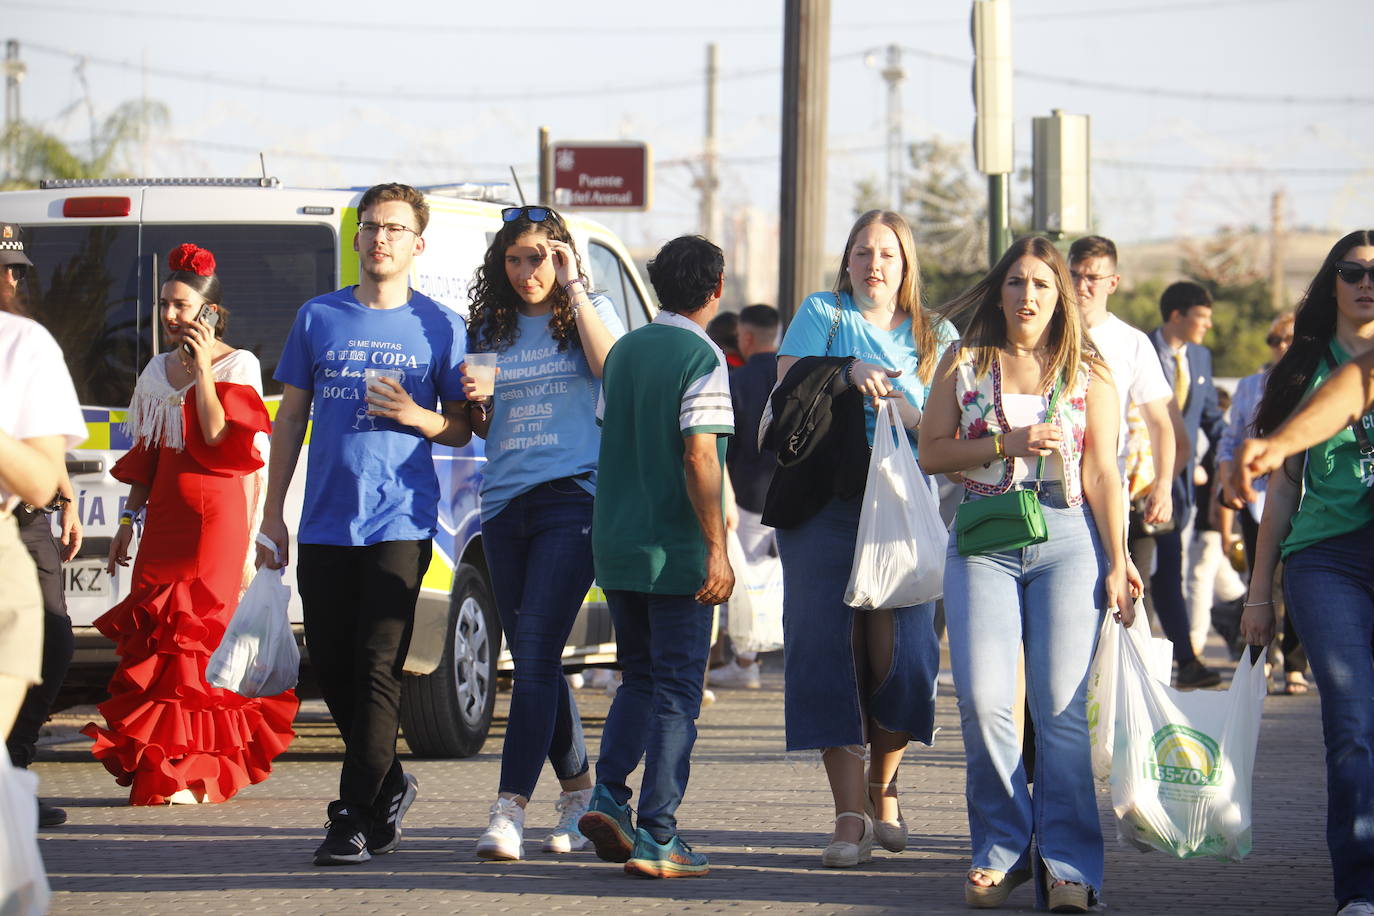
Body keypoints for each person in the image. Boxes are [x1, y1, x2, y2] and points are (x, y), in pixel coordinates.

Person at [259, 183, 473, 866]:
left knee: (380, 663)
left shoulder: (440, 326)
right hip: (325, 521)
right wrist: (271, 514)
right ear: (356, 237)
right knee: (338, 666)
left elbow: (464, 426)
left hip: (400, 521)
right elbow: (290, 418)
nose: (380, 238)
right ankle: (391, 786)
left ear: (417, 244)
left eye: (395, 228)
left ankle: (350, 814)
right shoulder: (318, 317)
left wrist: (419, 418)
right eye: (372, 226)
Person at [920, 236, 1134, 913]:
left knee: (1060, 709)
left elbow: (1104, 472)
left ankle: (1070, 865)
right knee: (984, 701)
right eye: (1016, 283)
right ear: (1000, 291)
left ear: (1060, 295)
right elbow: (931, 451)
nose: (1028, 296)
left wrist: (1120, 558)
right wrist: (1001, 444)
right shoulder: (966, 360)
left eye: (1042, 284)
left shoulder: (1086, 368)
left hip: (1067, 536)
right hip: (985, 533)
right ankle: (1002, 852)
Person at [81, 244, 298, 806]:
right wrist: (129, 517)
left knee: (196, 637)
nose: (170, 315)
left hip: (217, 523)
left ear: (211, 312)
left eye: (180, 304)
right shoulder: (156, 368)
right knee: (156, 635)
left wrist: (202, 370)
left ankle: (197, 770)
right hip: (165, 524)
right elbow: (149, 456)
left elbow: (216, 433)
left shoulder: (240, 363)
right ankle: (158, 762)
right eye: (163, 305)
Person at [770, 210, 954, 867]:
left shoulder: (939, 334)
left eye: (888, 255)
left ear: (907, 267)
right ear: (845, 261)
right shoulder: (823, 312)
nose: (874, 265)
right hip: (825, 505)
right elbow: (787, 385)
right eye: (861, 252)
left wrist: (907, 410)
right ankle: (849, 814)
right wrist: (846, 370)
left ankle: (885, 785)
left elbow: (954, 428)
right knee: (826, 653)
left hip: (904, 513)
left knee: (906, 659)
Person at [464, 206, 624, 861]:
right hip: (504, 507)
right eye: (515, 259)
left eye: (539, 257)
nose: (528, 272)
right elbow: (482, 423)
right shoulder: (488, 325)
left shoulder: (586, 311)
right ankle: (580, 793)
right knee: (539, 660)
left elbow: (612, 366)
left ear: (560, 256)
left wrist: (576, 284)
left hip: (572, 501)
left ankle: (509, 811)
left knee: (530, 656)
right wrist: (476, 402)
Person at [577, 234, 734, 879]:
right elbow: (700, 455)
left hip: (616, 544)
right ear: (716, 290)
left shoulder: (624, 354)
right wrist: (717, 547)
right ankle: (660, 834)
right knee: (676, 690)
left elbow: (612, 438)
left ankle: (610, 795)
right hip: (675, 552)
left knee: (637, 678)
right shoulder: (704, 356)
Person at [1239, 230, 1374, 916]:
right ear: (1333, 283)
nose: (1366, 282)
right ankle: (1360, 888)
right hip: (1328, 558)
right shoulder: (1305, 367)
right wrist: (1260, 595)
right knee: (1351, 718)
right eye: (1352, 271)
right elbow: (1284, 490)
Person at [0, 223, 84, 827]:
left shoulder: (23, 345)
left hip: (19, 520)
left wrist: (66, 493)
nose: (10, 280)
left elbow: (39, 468)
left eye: (18, 271)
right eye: (1, 268)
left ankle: (13, 770)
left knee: (53, 643)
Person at [1217, 312, 1309, 693]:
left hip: (1307, 497)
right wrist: (1228, 482)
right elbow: (1230, 438)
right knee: (1262, 579)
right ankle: (1262, 659)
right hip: (1258, 497)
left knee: (1299, 582)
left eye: (1290, 338)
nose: (1283, 346)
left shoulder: (1314, 382)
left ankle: (1295, 665)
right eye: (1276, 340)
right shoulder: (1250, 385)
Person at [1147, 281, 1226, 688]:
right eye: (1202, 317)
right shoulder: (1140, 349)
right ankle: (1180, 660)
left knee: (1167, 570)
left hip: (1179, 490)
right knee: (1144, 571)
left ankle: (1184, 661)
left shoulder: (1200, 357)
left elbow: (1210, 416)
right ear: (1177, 315)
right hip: (1138, 482)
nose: (1208, 326)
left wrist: (1230, 457)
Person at [708, 303, 779, 689]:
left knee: (744, 580)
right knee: (777, 582)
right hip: (787, 494)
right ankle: (752, 657)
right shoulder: (792, 374)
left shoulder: (735, 381)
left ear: (745, 337)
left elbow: (725, 443)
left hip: (746, 493)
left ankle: (744, 659)